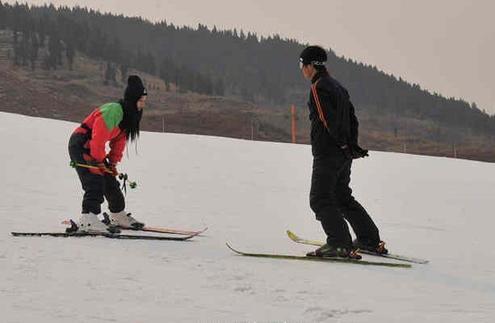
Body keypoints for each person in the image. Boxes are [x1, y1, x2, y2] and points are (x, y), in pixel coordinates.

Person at [299, 45, 388, 259]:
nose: (301, 69)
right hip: (343, 152)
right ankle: (369, 240)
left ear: (311, 66)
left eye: (302, 64)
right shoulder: (338, 87)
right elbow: (352, 118)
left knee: (320, 199)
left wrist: (341, 144)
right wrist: (350, 146)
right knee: (341, 197)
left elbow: (326, 119)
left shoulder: (318, 87)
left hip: (329, 152)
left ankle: (339, 243)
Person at [68, 75, 147, 233]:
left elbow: (118, 142)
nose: (143, 104)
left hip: (93, 148)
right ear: (132, 100)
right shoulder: (113, 111)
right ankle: (88, 218)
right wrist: (98, 162)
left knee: (110, 180)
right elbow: (98, 139)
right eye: (141, 100)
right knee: (95, 180)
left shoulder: (127, 116)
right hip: (81, 145)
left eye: (144, 100)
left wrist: (111, 164)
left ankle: (118, 215)